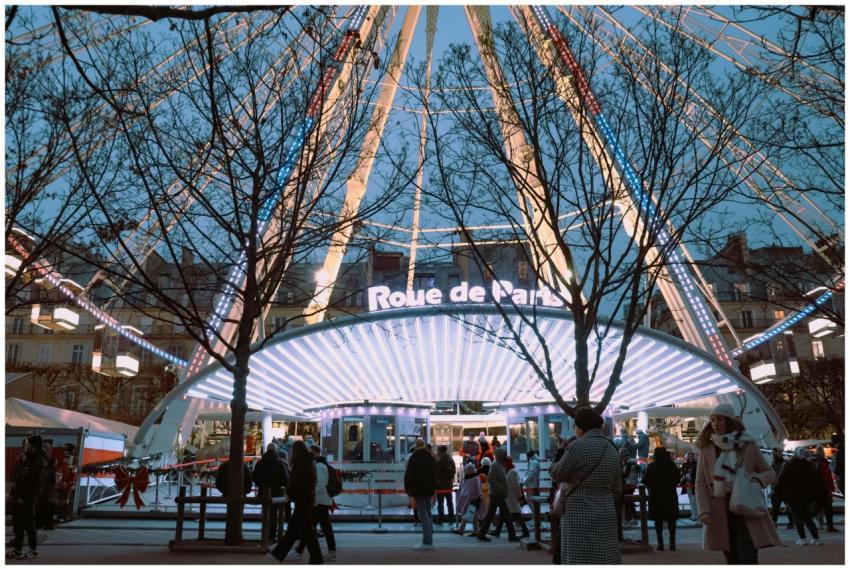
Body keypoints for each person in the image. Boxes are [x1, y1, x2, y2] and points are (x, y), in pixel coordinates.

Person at [695, 404, 780, 564]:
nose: (715, 424)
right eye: (712, 420)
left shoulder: (748, 445)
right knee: (730, 555)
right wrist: (704, 511)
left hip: (744, 503)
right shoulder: (706, 448)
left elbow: (769, 472)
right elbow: (700, 482)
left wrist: (756, 481)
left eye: (719, 419)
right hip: (719, 506)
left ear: (729, 422)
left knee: (747, 554)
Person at [550, 407, 621, 564]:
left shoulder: (576, 447)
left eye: (575, 426)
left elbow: (556, 474)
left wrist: (559, 453)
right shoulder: (612, 448)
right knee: (604, 557)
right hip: (606, 512)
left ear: (580, 426)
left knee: (579, 558)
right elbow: (617, 489)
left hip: (578, 513)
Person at [267, 441, 323, 564]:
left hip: (302, 500)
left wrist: (290, 494)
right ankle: (280, 553)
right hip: (307, 499)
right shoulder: (309, 461)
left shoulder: (300, 463)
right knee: (297, 529)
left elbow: (296, 482)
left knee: (302, 530)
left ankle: (315, 557)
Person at [774, 447, 823, 545]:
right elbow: (815, 481)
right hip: (806, 496)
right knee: (807, 517)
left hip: (792, 496)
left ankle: (802, 538)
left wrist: (778, 492)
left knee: (797, 517)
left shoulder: (789, 465)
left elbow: (780, 480)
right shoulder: (810, 466)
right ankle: (816, 538)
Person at [295, 445, 337, 560]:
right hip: (321, 501)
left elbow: (319, 485)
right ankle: (300, 549)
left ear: (314, 453)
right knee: (313, 526)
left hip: (319, 501)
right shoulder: (321, 465)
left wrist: (313, 499)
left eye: (310, 452)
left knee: (315, 527)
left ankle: (301, 550)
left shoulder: (318, 466)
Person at [8, 435, 47, 559]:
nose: (26, 445)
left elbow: (35, 483)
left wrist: (24, 497)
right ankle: (18, 549)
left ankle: (33, 549)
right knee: (18, 524)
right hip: (19, 496)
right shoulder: (27, 459)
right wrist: (14, 493)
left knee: (29, 525)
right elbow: (20, 478)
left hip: (28, 499)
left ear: (34, 445)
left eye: (28, 444)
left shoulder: (39, 461)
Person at [477, 447, 518, 542]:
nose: (505, 456)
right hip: (497, 493)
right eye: (504, 454)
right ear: (500, 455)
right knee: (506, 514)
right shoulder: (495, 465)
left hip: (496, 493)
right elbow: (491, 478)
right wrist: (501, 488)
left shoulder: (499, 464)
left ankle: (482, 533)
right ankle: (512, 536)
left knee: (490, 514)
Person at [644, 447, 681, 551]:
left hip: (656, 496)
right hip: (670, 496)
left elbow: (645, 480)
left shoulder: (652, 466)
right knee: (671, 521)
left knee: (658, 521)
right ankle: (672, 543)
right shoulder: (672, 466)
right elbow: (677, 479)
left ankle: (661, 544)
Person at [404, 438, 437, 550]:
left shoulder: (414, 458)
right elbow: (435, 474)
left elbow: (409, 476)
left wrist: (408, 490)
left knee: (422, 515)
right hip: (429, 490)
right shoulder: (431, 457)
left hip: (419, 490)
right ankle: (430, 538)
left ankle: (427, 541)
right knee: (428, 512)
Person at [252, 443, 289, 541]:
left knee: (265, 513)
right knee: (273, 515)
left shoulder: (260, 462)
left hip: (263, 491)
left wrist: (261, 484)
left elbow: (254, 477)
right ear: (276, 451)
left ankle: (264, 534)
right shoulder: (280, 463)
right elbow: (285, 479)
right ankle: (271, 535)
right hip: (276, 492)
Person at [491, 456, 530, 539]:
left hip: (512, 498)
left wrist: (519, 496)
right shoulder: (508, 471)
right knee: (507, 514)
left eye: (504, 462)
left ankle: (525, 532)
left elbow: (516, 486)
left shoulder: (512, 472)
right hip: (508, 497)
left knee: (515, 514)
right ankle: (498, 532)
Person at [812, 445, 838, 532]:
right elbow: (827, 477)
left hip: (816, 488)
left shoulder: (813, 461)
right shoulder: (823, 462)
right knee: (827, 507)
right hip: (824, 489)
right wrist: (831, 488)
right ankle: (829, 526)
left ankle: (809, 520)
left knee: (819, 506)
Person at [453, 463, 483, 536]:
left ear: (473, 470)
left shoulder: (476, 479)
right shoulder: (465, 478)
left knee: (468, 514)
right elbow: (461, 488)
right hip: (466, 500)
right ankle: (476, 531)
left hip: (473, 500)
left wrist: (479, 497)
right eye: (467, 469)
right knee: (472, 515)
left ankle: (461, 530)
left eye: (470, 469)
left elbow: (479, 490)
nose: (469, 471)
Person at [37, 439, 59, 530]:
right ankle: (43, 523)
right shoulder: (41, 461)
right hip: (43, 491)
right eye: (43, 447)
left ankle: (47, 523)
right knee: (43, 506)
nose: (44, 449)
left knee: (47, 506)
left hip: (48, 491)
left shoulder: (51, 462)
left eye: (46, 447)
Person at [435, 445, 456, 525]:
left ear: (440, 451)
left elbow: (435, 472)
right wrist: (450, 478)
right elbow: (453, 470)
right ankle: (451, 517)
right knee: (449, 502)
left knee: (440, 502)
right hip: (449, 485)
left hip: (440, 485)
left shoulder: (439, 460)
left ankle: (441, 518)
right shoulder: (450, 459)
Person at [768, 448, 789, 527]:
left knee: (786, 506)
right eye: (773, 454)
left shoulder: (784, 464)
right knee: (775, 507)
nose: (773, 456)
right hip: (776, 488)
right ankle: (774, 522)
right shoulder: (774, 463)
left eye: (774, 454)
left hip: (783, 488)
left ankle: (791, 521)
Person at [622, 447, 641, 524]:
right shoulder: (632, 463)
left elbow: (625, 474)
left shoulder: (628, 463)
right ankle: (633, 515)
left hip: (629, 484)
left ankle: (630, 516)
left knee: (628, 500)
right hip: (633, 483)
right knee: (630, 500)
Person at [680, 451, 699, 522]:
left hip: (694, 484)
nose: (690, 457)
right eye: (689, 456)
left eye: (692, 456)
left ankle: (696, 515)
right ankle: (693, 514)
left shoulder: (696, 465)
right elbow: (682, 473)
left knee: (694, 500)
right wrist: (684, 477)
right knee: (691, 500)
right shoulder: (685, 465)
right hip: (687, 484)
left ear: (694, 457)